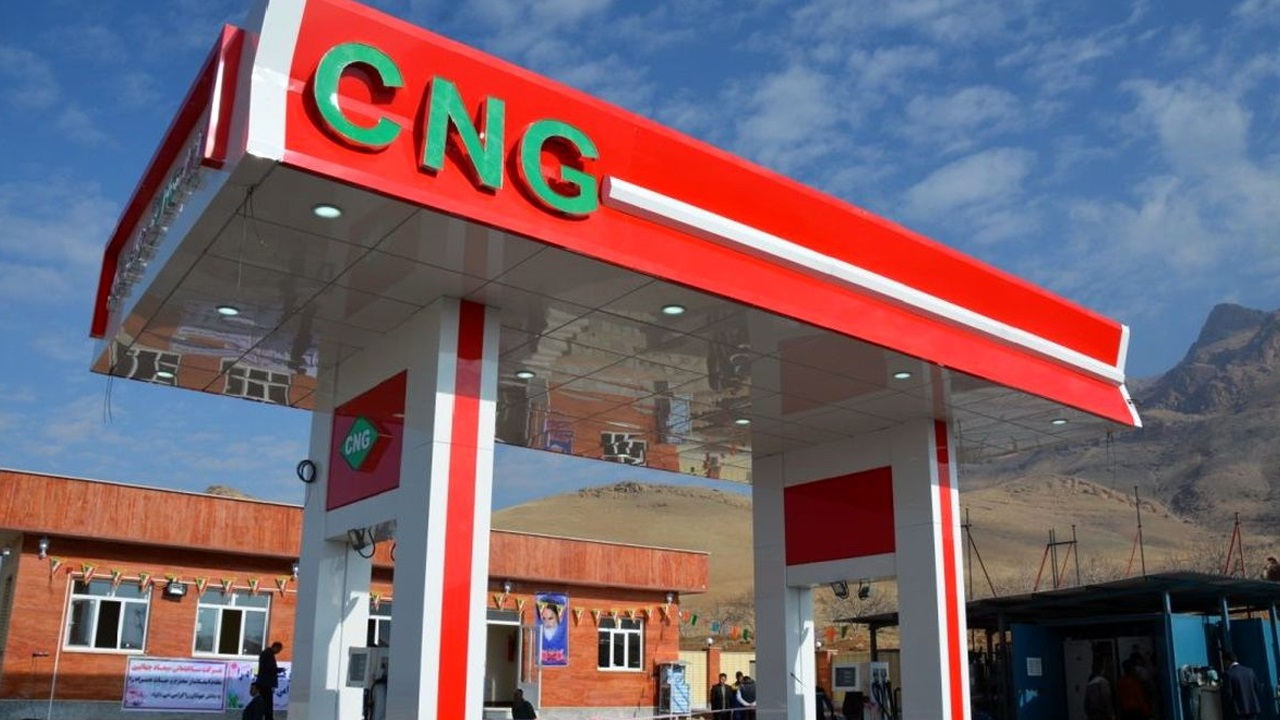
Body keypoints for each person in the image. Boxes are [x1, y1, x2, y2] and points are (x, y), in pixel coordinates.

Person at [1222, 651, 1263, 719]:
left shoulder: (1228, 674)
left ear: (1227, 661)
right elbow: (1257, 688)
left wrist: (1225, 708)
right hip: (1253, 707)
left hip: (1238, 710)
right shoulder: (1250, 671)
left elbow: (1228, 694)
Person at [256, 641, 284, 720]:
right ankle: (268, 718)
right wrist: (279, 670)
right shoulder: (268, 654)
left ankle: (266, 717)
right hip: (266, 683)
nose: (279, 652)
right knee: (268, 703)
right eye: (279, 650)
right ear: (276, 647)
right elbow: (270, 668)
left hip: (264, 682)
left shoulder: (266, 653)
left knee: (265, 702)